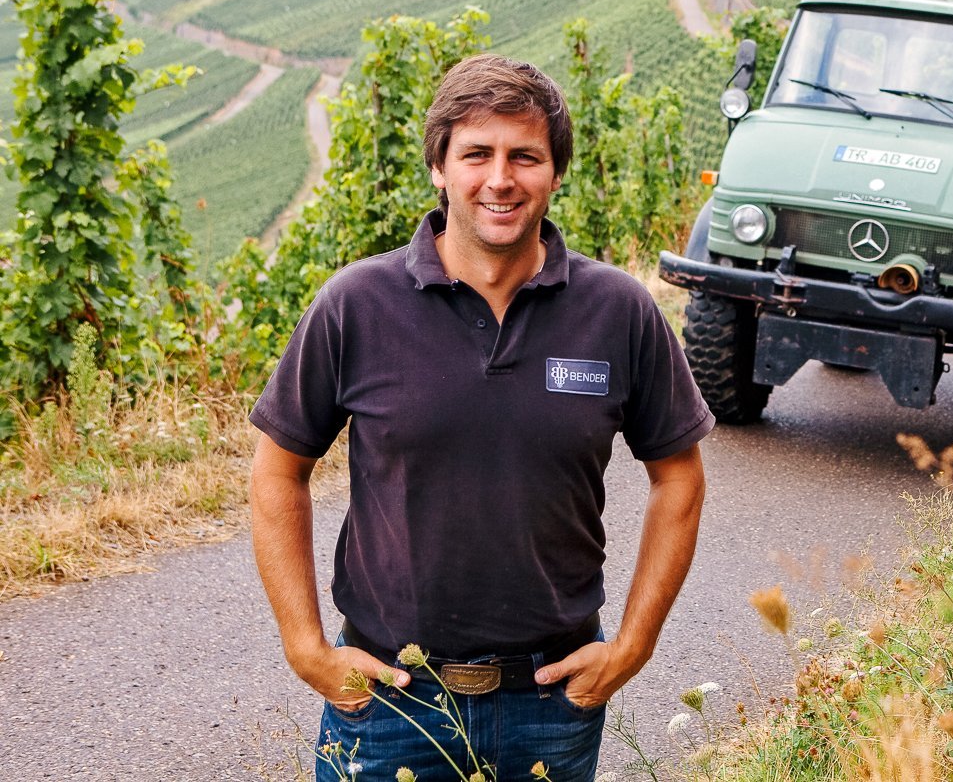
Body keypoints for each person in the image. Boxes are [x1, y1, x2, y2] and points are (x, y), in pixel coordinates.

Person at [249, 53, 713, 781]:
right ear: (440, 167)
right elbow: (278, 472)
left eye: (525, 156)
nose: (500, 179)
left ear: (555, 173)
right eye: (476, 154)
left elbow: (679, 479)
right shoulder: (356, 305)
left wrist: (633, 646)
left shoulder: (618, 311)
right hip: (389, 697)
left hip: (552, 698)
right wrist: (305, 645)